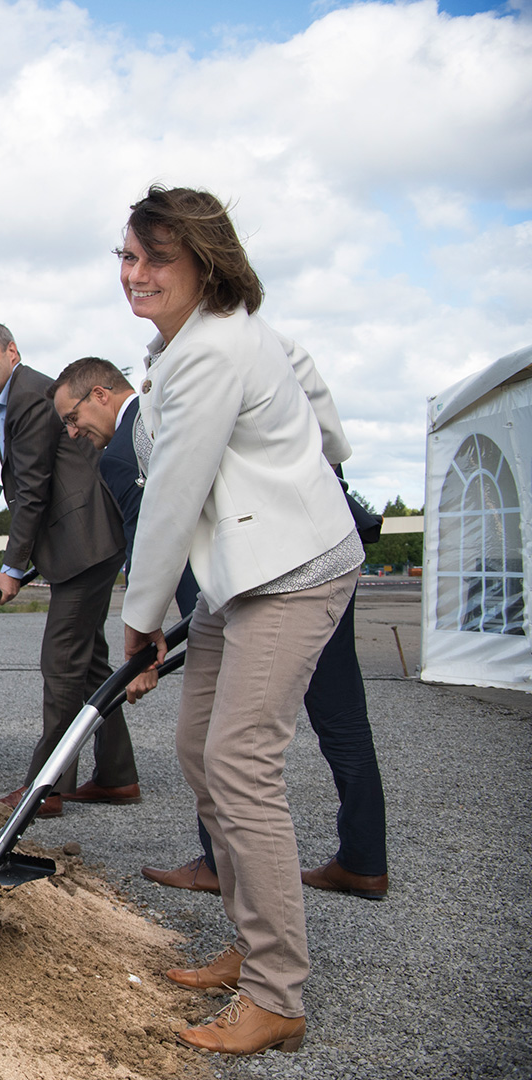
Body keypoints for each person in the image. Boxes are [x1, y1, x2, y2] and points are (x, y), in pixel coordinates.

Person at [115, 185, 361, 1055]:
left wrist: (136, 622)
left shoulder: (214, 350)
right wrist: (319, 449)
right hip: (238, 578)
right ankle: (254, 942)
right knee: (197, 748)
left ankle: (277, 995)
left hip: (290, 571)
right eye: (128, 256)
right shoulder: (199, 340)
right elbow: (313, 390)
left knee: (241, 762)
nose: (135, 274)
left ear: (204, 265)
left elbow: (174, 495)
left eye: (156, 259)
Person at [54, 358, 389, 901]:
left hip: (251, 575)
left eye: (72, 417)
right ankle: (364, 860)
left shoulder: (127, 447)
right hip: (326, 549)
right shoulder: (239, 357)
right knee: (342, 715)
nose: (74, 433)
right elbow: (314, 403)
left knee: (219, 737)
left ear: (99, 394)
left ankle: (217, 863)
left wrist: (149, 631)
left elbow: (156, 536)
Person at [0, 323, 129, 819]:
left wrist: (13, 567)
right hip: (85, 542)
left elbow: (32, 487)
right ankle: (119, 775)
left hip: (84, 543)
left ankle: (45, 788)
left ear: (12, 351)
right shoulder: (17, 397)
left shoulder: (31, 394)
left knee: (61, 666)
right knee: (90, 665)